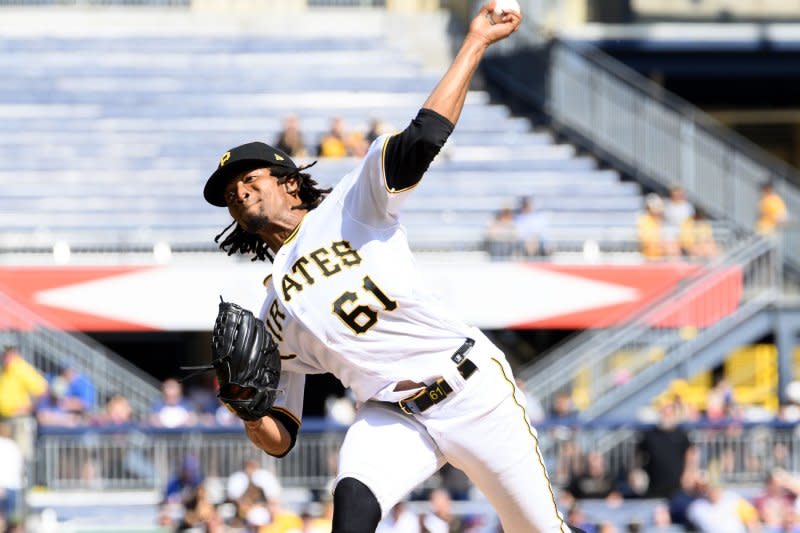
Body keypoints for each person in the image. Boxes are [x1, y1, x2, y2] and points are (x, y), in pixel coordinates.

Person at [201, 4, 581, 533]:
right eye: (228, 193)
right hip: (391, 416)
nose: (237, 190)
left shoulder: (351, 203)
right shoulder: (271, 312)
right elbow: (280, 437)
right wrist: (243, 406)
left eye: (249, 176)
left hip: (471, 389)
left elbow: (423, 138)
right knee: (352, 507)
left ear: (289, 181)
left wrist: (474, 42)